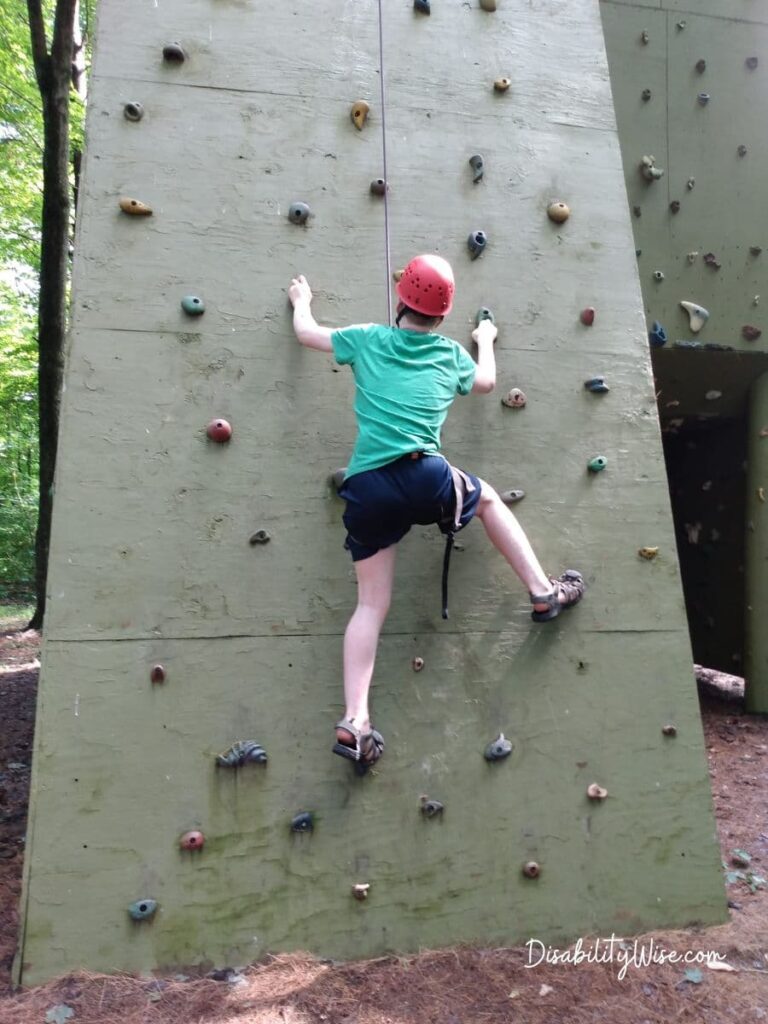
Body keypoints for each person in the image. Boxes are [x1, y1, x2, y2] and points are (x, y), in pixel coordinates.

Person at [288, 254, 584, 771]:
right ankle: (542, 592)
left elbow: (308, 334)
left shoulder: (365, 338)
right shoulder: (452, 355)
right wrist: (485, 340)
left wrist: (301, 301)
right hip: (428, 477)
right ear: (443, 317)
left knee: (371, 605)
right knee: (487, 498)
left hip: (369, 487)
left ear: (401, 300)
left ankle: (356, 719)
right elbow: (488, 383)